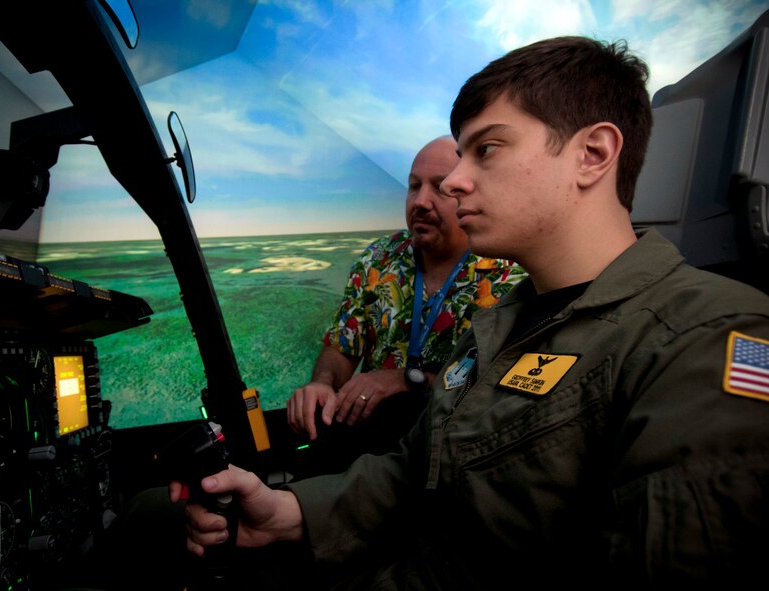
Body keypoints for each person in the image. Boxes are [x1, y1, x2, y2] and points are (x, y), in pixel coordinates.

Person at [176, 35, 769, 589]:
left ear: (592, 154)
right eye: (456, 157)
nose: (454, 184)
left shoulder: (703, 340)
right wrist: (287, 512)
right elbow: (415, 471)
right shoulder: (503, 324)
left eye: (486, 150)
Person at [287, 135, 523, 477]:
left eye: (440, 187)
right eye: (414, 186)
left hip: (451, 458)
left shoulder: (507, 276)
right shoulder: (379, 258)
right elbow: (342, 345)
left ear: (471, 192)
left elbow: (497, 388)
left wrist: (407, 380)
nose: (420, 201)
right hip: (365, 443)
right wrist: (322, 383)